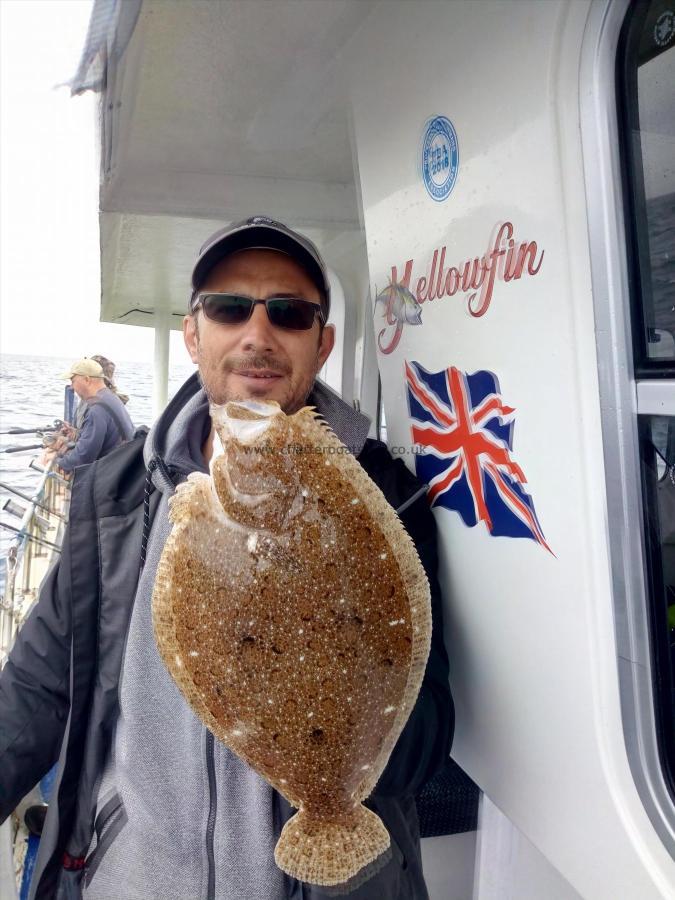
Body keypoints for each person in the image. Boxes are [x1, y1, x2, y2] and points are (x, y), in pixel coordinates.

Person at [0, 216, 453, 900]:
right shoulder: (114, 493)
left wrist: (331, 725)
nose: (257, 334)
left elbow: (429, 726)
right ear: (193, 332)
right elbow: (37, 688)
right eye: (229, 307)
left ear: (323, 343)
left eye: (290, 313)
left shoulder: (391, 502)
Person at [46, 358, 134, 473]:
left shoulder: (97, 409)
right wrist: (76, 434)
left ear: (87, 380)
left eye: (73, 381)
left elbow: (84, 456)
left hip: (112, 476)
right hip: (123, 466)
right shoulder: (110, 398)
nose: (71, 387)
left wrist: (57, 462)